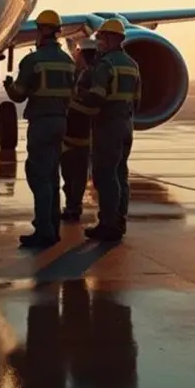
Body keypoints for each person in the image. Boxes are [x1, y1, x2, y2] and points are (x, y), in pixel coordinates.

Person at [3, 9, 76, 247]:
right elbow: (73, 93)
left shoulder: (33, 61)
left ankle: (44, 230)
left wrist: (9, 86)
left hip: (42, 122)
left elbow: (19, 95)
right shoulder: (68, 61)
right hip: (61, 121)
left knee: (39, 176)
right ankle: (53, 228)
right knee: (53, 175)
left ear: (44, 30)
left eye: (38, 29)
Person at [74, 17, 139, 242]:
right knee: (121, 174)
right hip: (126, 125)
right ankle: (119, 221)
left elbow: (97, 97)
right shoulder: (132, 65)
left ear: (111, 39)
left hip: (107, 126)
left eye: (101, 37)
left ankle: (108, 224)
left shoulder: (106, 65)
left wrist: (78, 97)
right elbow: (137, 100)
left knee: (105, 176)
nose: (99, 42)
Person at [59, 37, 98, 221]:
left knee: (72, 172)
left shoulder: (87, 76)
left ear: (81, 54)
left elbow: (86, 103)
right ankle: (73, 206)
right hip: (81, 131)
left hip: (77, 130)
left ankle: (73, 206)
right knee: (76, 173)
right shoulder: (85, 74)